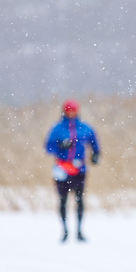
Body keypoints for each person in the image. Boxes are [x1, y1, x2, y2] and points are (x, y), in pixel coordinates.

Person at [44, 99, 101, 242]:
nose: (71, 113)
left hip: (79, 168)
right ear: (64, 111)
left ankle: (79, 231)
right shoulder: (57, 128)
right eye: (69, 110)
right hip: (62, 168)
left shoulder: (85, 128)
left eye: (73, 110)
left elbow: (94, 142)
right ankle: (65, 231)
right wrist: (61, 146)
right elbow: (48, 147)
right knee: (63, 200)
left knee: (79, 199)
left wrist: (96, 154)